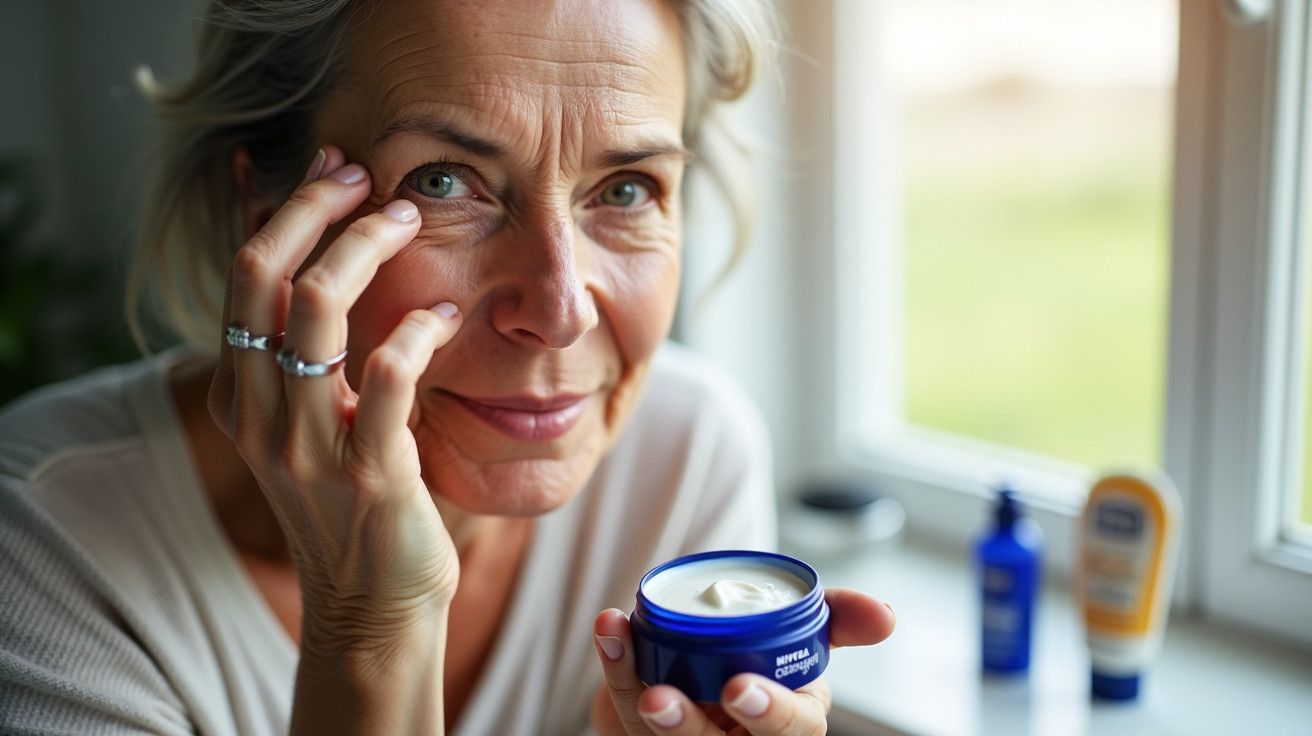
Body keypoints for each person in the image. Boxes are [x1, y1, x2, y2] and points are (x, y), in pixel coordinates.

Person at [0, 0, 895, 734]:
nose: (559, 311)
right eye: (443, 182)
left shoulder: (686, 453)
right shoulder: (43, 537)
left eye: (625, 191)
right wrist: (370, 627)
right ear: (269, 213)